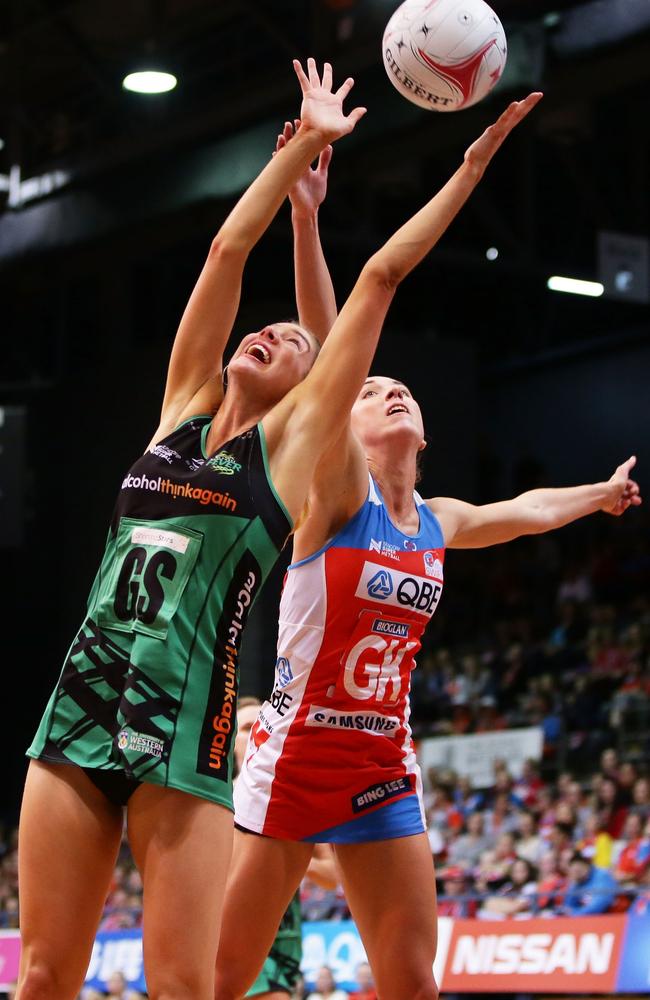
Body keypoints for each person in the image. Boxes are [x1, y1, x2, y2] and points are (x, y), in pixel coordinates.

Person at [15, 57, 370, 1000]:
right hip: (81, 705)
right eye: (266, 330)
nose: (272, 336)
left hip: (189, 737)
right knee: (45, 973)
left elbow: (338, 347)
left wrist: (309, 217)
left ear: (306, 396)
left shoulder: (287, 464)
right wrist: (289, 157)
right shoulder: (176, 410)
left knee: (181, 987)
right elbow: (222, 255)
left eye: (290, 345)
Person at [214, 90, 548, 1000]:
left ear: (426, 434)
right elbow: (335, 351)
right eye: (370, 392)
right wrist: (310, 220)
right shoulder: (334, 492)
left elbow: (524, 508)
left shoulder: (435, 520)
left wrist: (600, 494)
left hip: (381, 770)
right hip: (292, 764)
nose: (386, 391)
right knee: (218, 983)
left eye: (402, 389)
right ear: (341, 430)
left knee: (413, 983)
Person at [235, 699, 339, 1000]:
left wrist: (284, 855)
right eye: (244, 727)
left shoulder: (294, 800)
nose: (254, 730)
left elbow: (332, 877)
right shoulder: (216, 801)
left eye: (260, 722)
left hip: (282, 939)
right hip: (231, 934)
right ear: (232, 740)